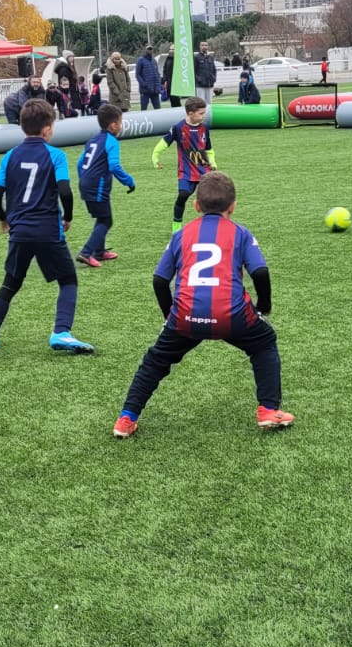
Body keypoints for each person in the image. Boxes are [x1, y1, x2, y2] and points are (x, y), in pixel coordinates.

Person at [112, 171, 290, 438]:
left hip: (185, 316)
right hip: (233, 316)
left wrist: (170, 316)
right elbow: (261, 272)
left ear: (196, 206)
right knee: (264, 343)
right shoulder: (240, 233)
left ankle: (126, 418)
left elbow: (160, 280)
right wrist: (263, 306)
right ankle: (268, 410)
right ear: (233, 206)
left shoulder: (181, 234)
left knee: (156, 361)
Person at [0, 98, 94, 355]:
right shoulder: (56, 155)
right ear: (47, 129)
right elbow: (65, 191)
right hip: (48, 230)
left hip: (19, 231)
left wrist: (4, 219)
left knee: (11, 283)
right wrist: (68, 216)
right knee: (68, 280)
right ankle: (61, 332)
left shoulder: (10, 156)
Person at [75, 104, 136, 268]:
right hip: (98, 186)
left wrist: (84, 179)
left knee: (102, 217)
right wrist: (129, 181)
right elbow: (114, 166)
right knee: (106, 221)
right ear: (113, 125)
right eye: (120, 122)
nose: (121, 126)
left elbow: (80, 163)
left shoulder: (93, 140)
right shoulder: (112, 142)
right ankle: (86, 253)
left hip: (86, 184)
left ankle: (99, 252)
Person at [152, 96, 214, 237]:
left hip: (204, 170)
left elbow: (209, 148)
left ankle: (211, 226)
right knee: (183, 195)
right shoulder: (178, 127)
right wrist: (155, 156)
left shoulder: (204, 128)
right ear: (191, 114)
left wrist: (213, 162)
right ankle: (176, 227)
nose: (204, 116)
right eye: (201, 113)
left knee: (209, 199)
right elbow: (164, 142)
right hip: (186, 170)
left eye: (204, 113)